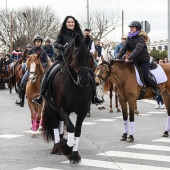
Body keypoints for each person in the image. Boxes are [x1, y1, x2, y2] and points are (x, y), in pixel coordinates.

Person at [32, 16, 103, 105]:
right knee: (48, 73)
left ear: (75, 23)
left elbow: (82, 44)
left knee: (91, 73)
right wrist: (61, 46)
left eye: (72, 22)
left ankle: (94, 96)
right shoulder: (62, 33)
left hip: (76, 61)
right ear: (66, 23)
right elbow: (56, 44)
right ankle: (41, 96)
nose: (70, 23)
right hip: (63, 58)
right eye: (68, 22)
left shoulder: (79, 33)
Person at [116, 21, 160, 98]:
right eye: (130, 27)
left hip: (143, 60)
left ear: (137, 28)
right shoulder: (129, 37)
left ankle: (156, 89)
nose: (131, 29)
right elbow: (124, 48)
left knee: (145, 75)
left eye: (132, 27)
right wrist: (117, 57)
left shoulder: (141, 37)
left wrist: (129, 57)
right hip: (134, 60)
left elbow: (137, 49)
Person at [15, 35, 48, 107]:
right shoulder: (31, 51)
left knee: (49, 81)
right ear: (35, 42)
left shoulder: (43, 52)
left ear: (41, 43)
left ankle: (50, 99)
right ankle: (21, 100)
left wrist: (41, 65)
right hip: (31, 70)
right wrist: (29, 65)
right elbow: (26, 60)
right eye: (37, 41)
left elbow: (46, 61)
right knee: (23, 81)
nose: (38, 43)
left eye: (39, 41)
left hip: (40, 70)